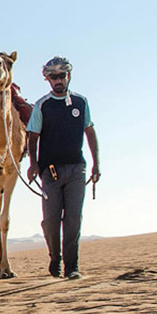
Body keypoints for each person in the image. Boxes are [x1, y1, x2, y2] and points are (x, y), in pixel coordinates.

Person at [25, 56, 101, 280]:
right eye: (53, 77)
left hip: (77, 169)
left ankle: (72, 266)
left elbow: (90, 131)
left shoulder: (81, 102)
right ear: (47, 79)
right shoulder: (42, 105)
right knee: (50, 221)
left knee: (73, 219)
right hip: (51, 172)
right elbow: (32, 136)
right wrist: (33, 164)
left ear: (69, 75)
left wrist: (96, 162)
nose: (57, 80)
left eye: (61, 76)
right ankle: (54, 259)